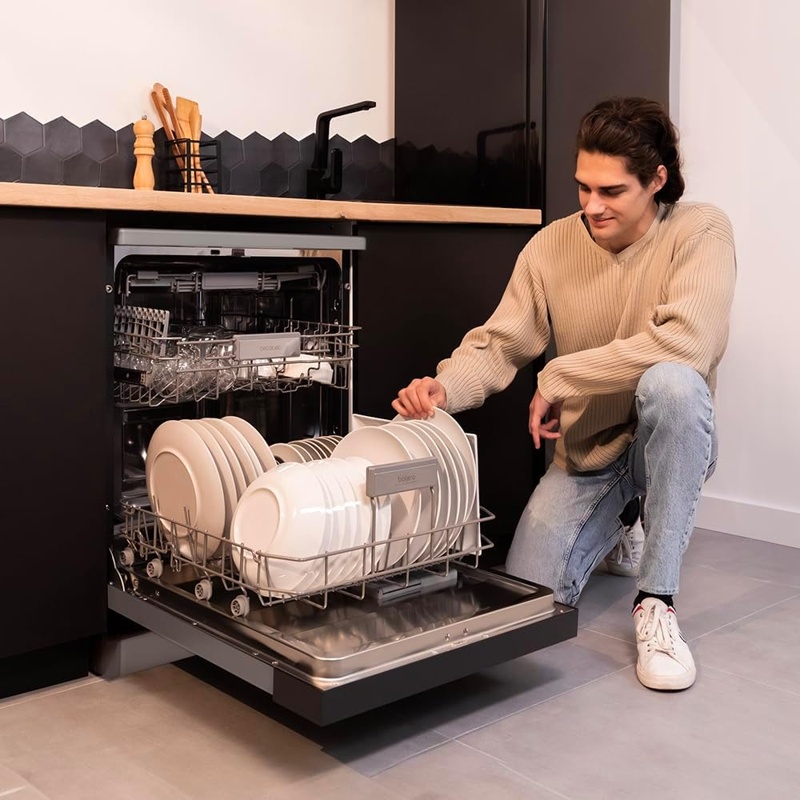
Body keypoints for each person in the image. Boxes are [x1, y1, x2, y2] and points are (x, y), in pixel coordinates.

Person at [392, 96, 736, 692]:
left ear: (656, 181)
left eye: (612, 191)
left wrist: (560, 376)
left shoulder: (700, 230)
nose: (592, 206)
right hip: (588, 453)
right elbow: (500, 343)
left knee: (673, 384)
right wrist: (444, 386)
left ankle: (657, 601)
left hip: (669, 437)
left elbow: (689, 345)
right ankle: (622, 524)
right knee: (529, 593)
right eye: (583, 187)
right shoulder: (551, 247)